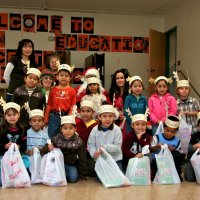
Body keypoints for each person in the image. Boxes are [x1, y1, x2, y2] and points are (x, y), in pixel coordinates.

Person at [44, 115, 87, 183]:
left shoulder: (79, 141)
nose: (68, 131)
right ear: (61, 129)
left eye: (71, 128)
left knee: (74, 178)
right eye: (65, 128)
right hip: (57, 163)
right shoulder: (56, 139)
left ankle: (64, 174)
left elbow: (82, 158)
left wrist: (83, 175)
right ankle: (61, 174)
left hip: (69, 164)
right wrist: (48, 147)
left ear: (75, 129)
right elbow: (46, 148)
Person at [87, 104, 123, 173]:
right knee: (103, 178)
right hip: (100, 159)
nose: (107, 119)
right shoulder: (95, 130)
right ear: (99, 117)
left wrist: (104, 147)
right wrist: (94, 153)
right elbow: (91, 145)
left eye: (110, 116)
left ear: (114, 117)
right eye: (104, 116)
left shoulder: (117, 130)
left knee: (118, 176)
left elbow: (117, 147)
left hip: (115, 158)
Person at [44, 64, 76, 138]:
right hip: (54, 117)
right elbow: (49, 104)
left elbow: (73, 106)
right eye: (61, 75)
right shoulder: (53, 89)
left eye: (66, 76)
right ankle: (52, 149)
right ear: (57, 77)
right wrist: (46, 118)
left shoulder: (72, 91)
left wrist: (69, 117)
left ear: (70, 78)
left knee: (65, 136)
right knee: (52, 136)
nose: (64, 77)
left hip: (66, 116)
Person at [150, 115, 183, 181]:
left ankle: (176, 174)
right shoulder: (157, 137)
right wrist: (158, 146)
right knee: (154, 177)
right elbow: (151, 150)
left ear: (176, 132)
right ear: (164, 128)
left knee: (176, 154)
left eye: (172, 132)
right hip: (158, 162)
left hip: (170, 163)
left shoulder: (177, 141)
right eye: (167, 131)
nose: (169, 133)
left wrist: (172, 150)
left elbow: (179, 156)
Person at [76, 100, 98, 177]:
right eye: (83, 111)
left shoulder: (96, 125)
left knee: (92, 170)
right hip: (79, 153)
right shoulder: (76, 124)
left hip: (91, 153)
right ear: (80, 112)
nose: (85, 113)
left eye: (88, 111)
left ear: (93, 112)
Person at [109, 68, 130, 135]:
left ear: (125, 79)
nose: (119, 80)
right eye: (117, 78)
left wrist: (125, 116)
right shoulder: (112, 93)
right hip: (116, 121)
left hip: (128, 121)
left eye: (121, 78)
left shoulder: (131, 92)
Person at [184, 112, 200, 182]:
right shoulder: (195, 135)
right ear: (198, 126)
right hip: (194, 160)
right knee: (189, 178)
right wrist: (194, 147)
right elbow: (186, 148)